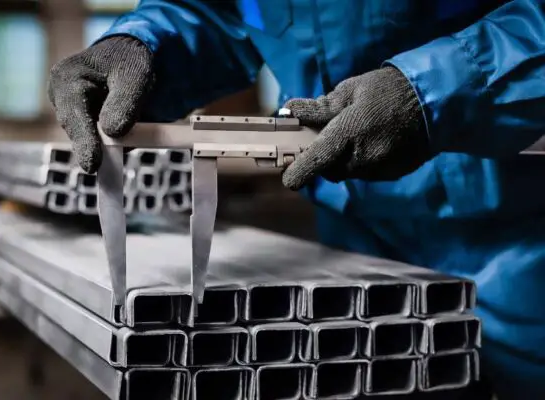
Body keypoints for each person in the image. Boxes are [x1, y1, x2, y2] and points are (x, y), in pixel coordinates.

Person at [48, 1, 545, 397]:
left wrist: (434, 92)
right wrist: (141, 43)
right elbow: (218, 11)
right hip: (356, 232)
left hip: (521, 227)